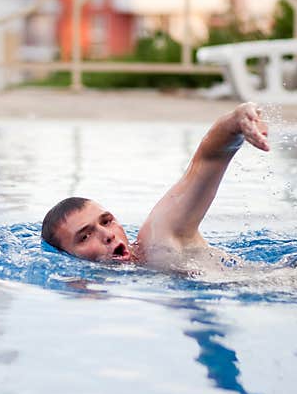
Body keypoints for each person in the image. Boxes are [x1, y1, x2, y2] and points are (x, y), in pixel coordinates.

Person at [41, 102, 270, 272]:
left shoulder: (158, 240)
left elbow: (209, 159)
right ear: (65, 258)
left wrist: (234, 123)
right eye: (85, 236)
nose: (107, 235)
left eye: (106, 221)